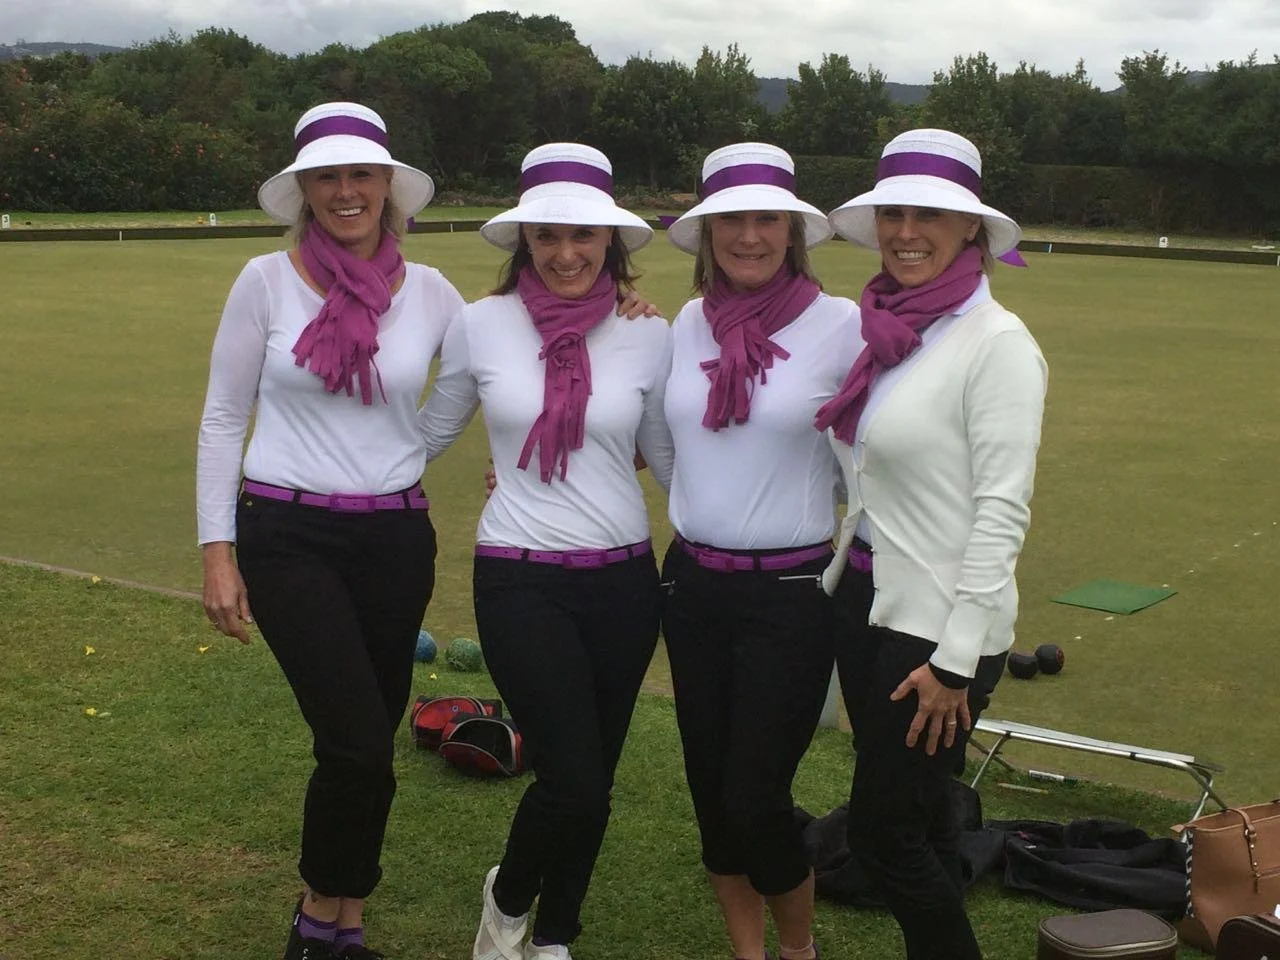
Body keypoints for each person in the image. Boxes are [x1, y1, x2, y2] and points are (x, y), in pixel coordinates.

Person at [196, 101, 459, 960]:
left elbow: (495, 365)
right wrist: (217, 554)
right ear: (306, 190)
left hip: (394, 542)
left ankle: (342, 925)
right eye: (328, 177)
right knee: (354, 743)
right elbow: (224, 417)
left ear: (388, 186)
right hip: (287, 536)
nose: (347, 192)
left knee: (369, 742)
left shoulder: (430, 293)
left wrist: (411, 450)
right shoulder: (264, 283)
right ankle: (317, 922)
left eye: (362, 175)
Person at [415, 143, 674, 960]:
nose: (565, 253)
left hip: (627, 585)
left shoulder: (649, 332)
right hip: (519, 578)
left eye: (583, 236)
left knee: (592, 788)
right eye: (546, 237)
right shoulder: (480, 324)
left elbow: (670, 458)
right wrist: (311, 483)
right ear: (523, 241)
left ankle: (555, 936)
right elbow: (425, 433)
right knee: (574, 778)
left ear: (611, 242)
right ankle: (509, 898)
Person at [814, 128, 1048, 960]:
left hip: (938, 631)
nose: (906, 230)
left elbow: (1002, 509)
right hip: (865, 600)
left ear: (971, 231)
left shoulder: (998, 345)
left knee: (883, 837)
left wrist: (956, 660)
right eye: (893, 213)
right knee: (926, 823)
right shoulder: (885, 331)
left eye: (931, 215)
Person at [660, 143, 863, 960]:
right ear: (707, 233)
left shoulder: (841, 324)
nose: (750, 235)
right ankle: (749, 952)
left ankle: (798, 949)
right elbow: (666, 439)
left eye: (766, 218)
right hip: (692, 588)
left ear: (792, 229)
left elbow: (876, 456)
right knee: (713, 795)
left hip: (791, 595)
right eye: (731, 220)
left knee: (755, 797)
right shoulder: (682, 322)